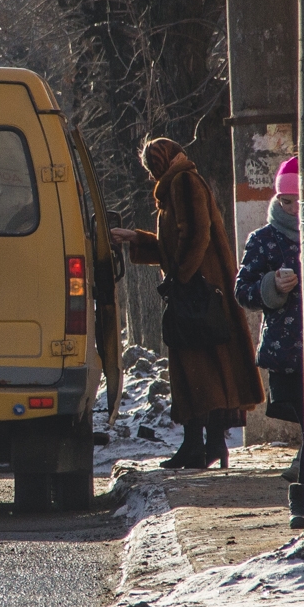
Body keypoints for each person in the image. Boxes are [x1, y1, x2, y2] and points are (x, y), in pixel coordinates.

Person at [109, 138, 264, 469]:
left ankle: (199, 446)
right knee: (206, 367)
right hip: (199, 290)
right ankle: (208, 446)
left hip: (199, 294)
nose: (151, 175)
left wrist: (180, 279)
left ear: (162, 163)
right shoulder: (176, 187)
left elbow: (196, 235)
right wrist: (137, 239)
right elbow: (175, 243)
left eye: (152, 168)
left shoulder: (182, 182)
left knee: (195, 368)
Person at [234, 156, 304, 528]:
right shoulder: (263, 240)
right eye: (285, 200)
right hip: (287, 353)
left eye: (299, 200)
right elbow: (242, 290)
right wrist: (272, 287)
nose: (292, 208)